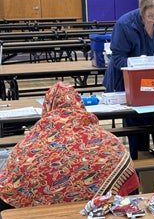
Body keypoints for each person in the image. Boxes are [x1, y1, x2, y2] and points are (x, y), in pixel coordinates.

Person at [0, 82, 139, 210]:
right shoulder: (111, 142)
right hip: (101, 213)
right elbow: (130, 188)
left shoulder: (25, 148)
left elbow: (7, 194)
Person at [103, 0, 154, 159]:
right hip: (128, 84)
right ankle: (140, 170)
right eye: (151, 16)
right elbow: (118, 57)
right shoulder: (125, 24)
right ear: (142, 10)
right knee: (137, 133)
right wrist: (138, 68)